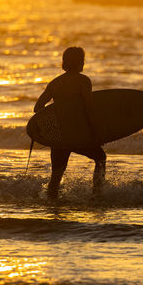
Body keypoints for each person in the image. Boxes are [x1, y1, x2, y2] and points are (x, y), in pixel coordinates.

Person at [34, 47, 106, 198]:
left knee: (57, 174)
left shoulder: (55, 83)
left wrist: (51, 127)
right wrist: (97, 133)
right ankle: (97, 194)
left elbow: (38, 108)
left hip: (60, 135)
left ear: (64, 62)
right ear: (80, 62)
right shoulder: (83, 81)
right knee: (100, 158)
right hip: (77, 133)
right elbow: (89, 109)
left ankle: (52, 207)